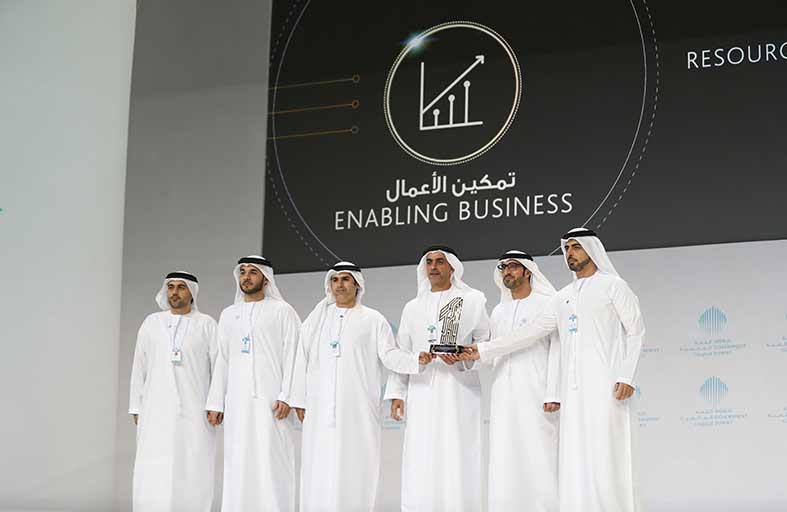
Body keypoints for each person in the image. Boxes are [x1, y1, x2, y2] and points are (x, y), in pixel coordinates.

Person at [466, 229, 645, 512]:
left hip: (607, 386)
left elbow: (636, 331)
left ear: (592, 249)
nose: (570, 253)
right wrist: (483, 350)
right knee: (574, 460)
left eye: (576, 247)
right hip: (572, 391)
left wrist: (627, 375)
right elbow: (532, 332)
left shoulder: (614, 286)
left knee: (607, 455)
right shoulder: (562, 297)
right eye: (567, 249)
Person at [291, 261, 433, 511]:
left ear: (357, 284)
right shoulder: (315, 320)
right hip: (319, 409)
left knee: (356, 465)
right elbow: (300, 358)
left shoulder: (373, 319)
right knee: (319, 466)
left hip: (358, 411)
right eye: (335, 280)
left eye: (345, 279)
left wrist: (414, 360)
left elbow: (389, 355)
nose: (339, 285)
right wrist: (299, 399)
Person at [384, 245, 490, 512]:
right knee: (421, 453)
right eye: (429, 262)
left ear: (452, 267)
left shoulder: (472, 300)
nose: (433, 267)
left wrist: (465, 357)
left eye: (440, 261)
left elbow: (486, 343)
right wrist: (397, 393)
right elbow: (402, 351)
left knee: (457, 453)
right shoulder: (413, 307)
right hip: (421, 392)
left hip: (459, 391)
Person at [206, 256, 301, 512]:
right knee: (238, 460)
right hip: (237, 403)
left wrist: (288, 395)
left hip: (272, 402)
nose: (246, 277)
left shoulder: (282, 311)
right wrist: (216, 402)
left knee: (272, 461)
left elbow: (293, 355)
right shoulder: (228, 315)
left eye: (253, 272)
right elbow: (222, 359)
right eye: (243, 272)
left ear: (266, 278)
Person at [129, 271, 219, 512]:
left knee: (192, 465)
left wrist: (215, 404)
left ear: (192, 292)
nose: (175, 292)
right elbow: (139, 366)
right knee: (154, 466)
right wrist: (136, 406)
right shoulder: (151, 323)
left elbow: (219, 367)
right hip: (154, 410)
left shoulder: (207, 324)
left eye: (181, 287)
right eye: (170, 287)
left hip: (194, 411)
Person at [486, 250, 561, 512]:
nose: (507, 271)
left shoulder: (548, 303)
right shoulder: (498, 311)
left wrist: (553, 392)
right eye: (503, 267)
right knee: (504, 455)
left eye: (513, 266)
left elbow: (558, 350)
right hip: (502, 392)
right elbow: (491, 351)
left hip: (536, 390)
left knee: (538, 454)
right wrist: (463, 357)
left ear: (528, 271)